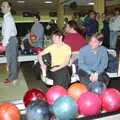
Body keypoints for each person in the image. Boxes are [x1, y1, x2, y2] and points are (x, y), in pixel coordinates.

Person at [1, 1, 18, 85]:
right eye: (2, 6)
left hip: (10, 40)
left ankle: (13, 78)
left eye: (4, 6)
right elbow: (5, 32)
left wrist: (4, 44)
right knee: (11, 60)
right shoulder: (6, 17)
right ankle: (13, 77)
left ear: (9, 8)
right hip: (10, 40)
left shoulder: (8, 18)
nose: (2, 7)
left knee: (12, 60)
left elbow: (7, 33)